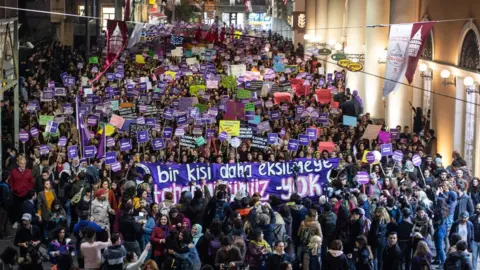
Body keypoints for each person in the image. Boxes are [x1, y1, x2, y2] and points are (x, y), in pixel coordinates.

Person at [9, 157, 35, 225]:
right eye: (21, 163)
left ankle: (26, 223)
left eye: (24, 163)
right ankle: (17, 222)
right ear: (18, 163)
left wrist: (29, 191)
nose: (23, 165)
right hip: (16, 194)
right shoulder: (14, 171)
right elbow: (10, 182)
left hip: (26, 194)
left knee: (26, 208)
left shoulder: (29, 171)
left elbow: (31, 182)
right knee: (17, 209)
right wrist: (13, 189)